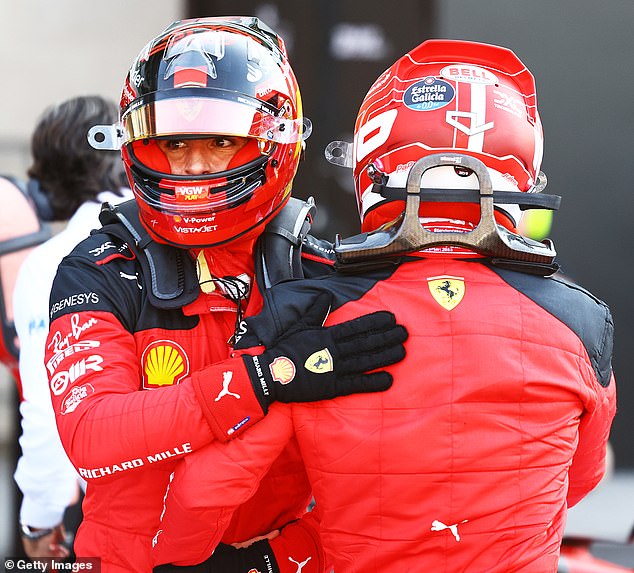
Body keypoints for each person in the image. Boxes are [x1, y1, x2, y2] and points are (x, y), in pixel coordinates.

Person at [150, 39, 617, 573]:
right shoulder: (581, 320)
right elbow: (578, 478)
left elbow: (204, 491)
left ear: (374, 161)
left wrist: (185, 560)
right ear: (520, 178)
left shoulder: (307, 309)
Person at [44, 17, 407, 573]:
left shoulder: (323, 272)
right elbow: (93, 436)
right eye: (173, 142)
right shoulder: (99, 269)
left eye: (220, 142)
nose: (192, 166)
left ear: (275, 141)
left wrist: (273, 559)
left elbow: (382, 475)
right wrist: (261, 380)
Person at [13, 95, 132, 560]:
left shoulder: (49, 265)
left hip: (120, 516)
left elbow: (49, 405)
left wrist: (40, 518)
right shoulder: (184, 233)